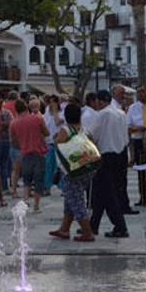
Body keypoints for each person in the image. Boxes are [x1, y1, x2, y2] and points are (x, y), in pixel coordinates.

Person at [49, 104, 97, 242]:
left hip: (71, 171)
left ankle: (87, 232)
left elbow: (57, 144)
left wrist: (56, 138)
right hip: (85, 169)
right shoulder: (84, 130)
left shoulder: (65, 130)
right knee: (70, 200)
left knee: (76, 201)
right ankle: (64, 229)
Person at [87, 90, 130, 238]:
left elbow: (91, 134)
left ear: (99, 101)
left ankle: (120, 226)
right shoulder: (121, 113)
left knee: (107, 194)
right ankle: (93, 225)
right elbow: (126, 137)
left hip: (105, 156)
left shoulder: (103, 114)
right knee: (101, 193)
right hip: (120, 155)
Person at [9, 99, 49, 213]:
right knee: (38, 180)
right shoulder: (37, 118)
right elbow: (47, 133)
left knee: (26, 178)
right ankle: (36, 205)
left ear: (16, 110)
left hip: (24, 153)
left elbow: (13, 141)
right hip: (38, 152)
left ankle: (26, 199)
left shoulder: (14, 123)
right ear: (27, 108)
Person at [43, 95, 64, 195]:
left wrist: (55, 111)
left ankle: (63, 187)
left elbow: (57, 122)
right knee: (48, 166)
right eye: (50, 102)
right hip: (49, 142)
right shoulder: (47, 111)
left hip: (60, 142)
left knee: (61, 166)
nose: (51, 104)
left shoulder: (62, 112)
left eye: (54, 102)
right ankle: (47, 187)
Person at [0, 91, 14, 193]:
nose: (0, 100)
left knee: (5, 164)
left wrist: (0, 124)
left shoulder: (7, 112)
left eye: (1, 98)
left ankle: (5, 186)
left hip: (6, 140)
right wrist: (3, 124)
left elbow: (11, 123)